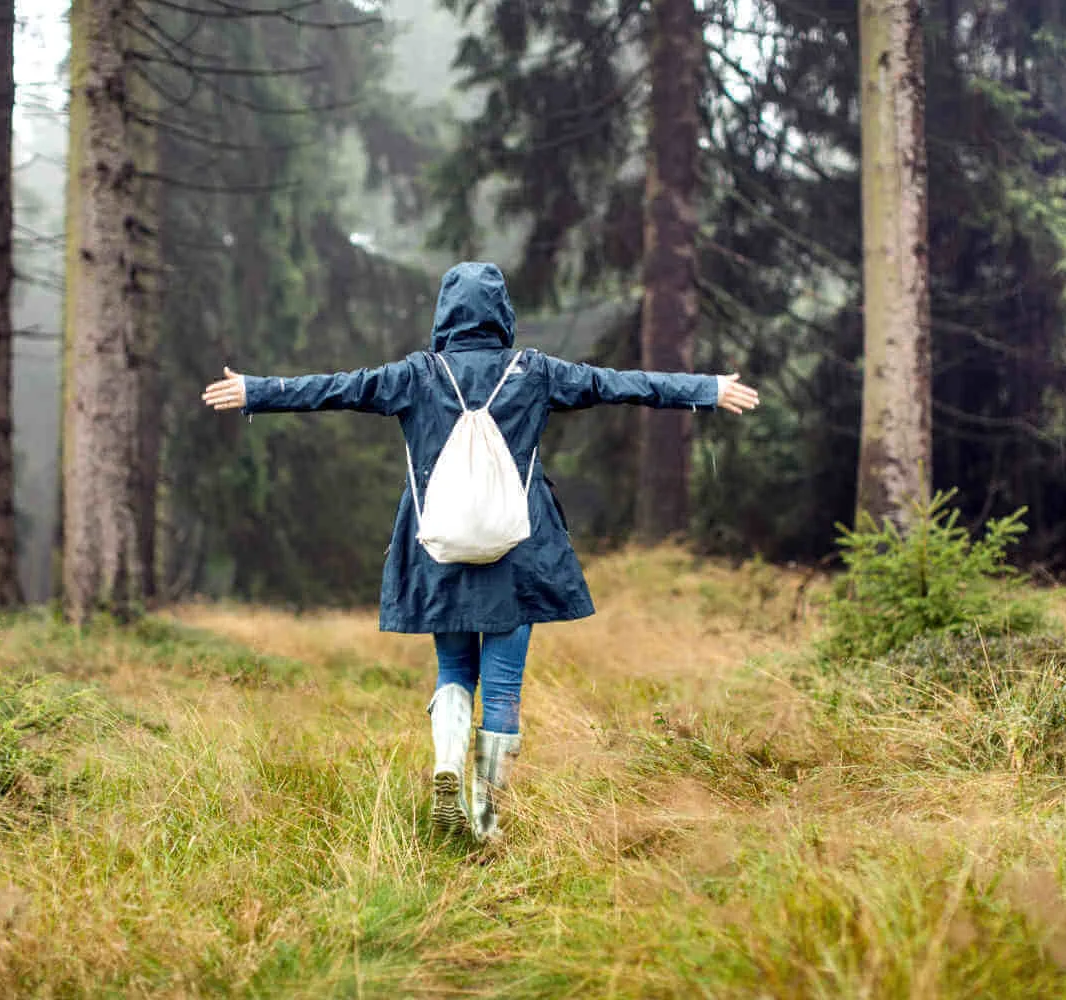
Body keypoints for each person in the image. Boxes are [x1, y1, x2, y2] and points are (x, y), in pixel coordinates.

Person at [202, 262, 759, 843]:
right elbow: (618, 384)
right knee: (502, 685)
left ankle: (447, 763)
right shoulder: (534, 371)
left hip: (438, 547)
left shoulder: (416, 375)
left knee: (453, 669)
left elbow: (337, 387)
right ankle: (487, 817)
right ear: (502, 314)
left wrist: (257, 390)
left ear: (445, 312)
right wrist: (708, 389)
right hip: (517, 550)